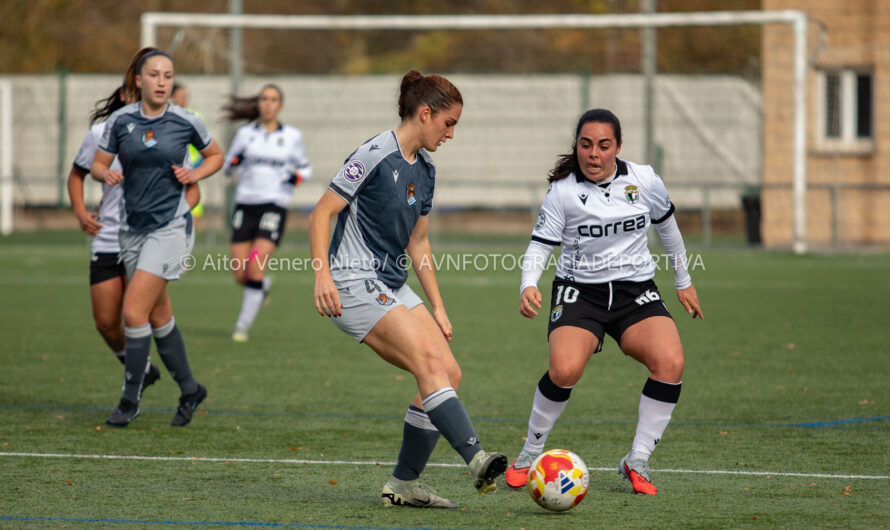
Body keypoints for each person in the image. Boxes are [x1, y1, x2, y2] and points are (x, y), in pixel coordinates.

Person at [309, 70, 506, 508]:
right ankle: (477, 459)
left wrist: (438, 306)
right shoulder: (374, 153)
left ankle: (402, 485)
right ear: (425, 113)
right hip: (352, 281)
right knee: (428, 361)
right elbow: (321, 213)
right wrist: (322, 275)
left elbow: (418, 243)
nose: (451, 133)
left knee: (449, 374)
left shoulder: (427, 170)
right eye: (448, 123)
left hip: (392, 283)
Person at [505, 108, 704, 496]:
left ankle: (638, 459)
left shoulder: (644, 179)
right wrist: (528, 284)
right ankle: (530, 453)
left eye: (603, 145)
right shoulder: (563, 190)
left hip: (635, 292)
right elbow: (540, 245)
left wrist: (684, 281)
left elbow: (668, 229)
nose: (593, 154)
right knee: (564, 370)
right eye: (585, 144)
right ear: (576, 145)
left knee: (671, 362)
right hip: (581, 292)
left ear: (618, 147)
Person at [91, 47, 223, 427]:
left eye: (168, 75)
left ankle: (129, 399)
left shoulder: (185, 121)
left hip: (171, 227)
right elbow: (99, 165)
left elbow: (216, 156)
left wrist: (195, 175)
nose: (162, 82)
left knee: (132, 312)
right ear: (138, 80)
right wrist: (106, 174)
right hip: (131, 229)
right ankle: (190, 389)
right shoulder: (121, 121)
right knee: (158, 314)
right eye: (154, 75)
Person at [222, 84, 312, 342]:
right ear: (259, 104)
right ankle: (264, 287)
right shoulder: (245, 134)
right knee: (240, 273)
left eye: (273, 100)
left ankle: (241, 326)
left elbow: (305, 169)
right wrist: (233, 163)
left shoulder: (292, 136)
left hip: (274, 204)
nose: (268, 104)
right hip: (245, 204)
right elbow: (228, 167)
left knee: (255, 270)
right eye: (264, 99)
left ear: (280, 106)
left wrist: (296, 178)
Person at [171, 83, 206, 231]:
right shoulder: (166, 117)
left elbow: (205, 147)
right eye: (180, 96)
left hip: (191, 172)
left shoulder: (195, 117)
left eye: (185, 97)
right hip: (172, 172)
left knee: (193, 213)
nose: (183, 100)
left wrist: (198, 169)